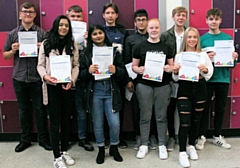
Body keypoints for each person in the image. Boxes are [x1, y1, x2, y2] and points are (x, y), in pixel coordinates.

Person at [3, 1, 51, 152]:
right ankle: (25, 140)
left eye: (31, 12)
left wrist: (41, 48)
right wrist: (13, 50)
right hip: (19, 77)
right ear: (20, 14)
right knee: (23, 110)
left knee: (40, 109)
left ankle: (43, 139)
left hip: (37, 78)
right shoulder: (13, 34)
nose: (28, 14)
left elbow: (51, 56)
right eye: (25, 11)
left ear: (35, 15)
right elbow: (5, 55)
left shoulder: (42, 34)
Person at [37, 15, 79, 168]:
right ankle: (56, 157)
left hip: (66, 87)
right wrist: (46, 76)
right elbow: (40, 65)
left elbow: (76, 65)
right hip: (52, 87)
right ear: (56, 26)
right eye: (61, 25)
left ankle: (64, 151)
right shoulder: (46, 44)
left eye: (66, 26)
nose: (63, 28)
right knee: (55, 122)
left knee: (66, 121)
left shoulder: (72, 44)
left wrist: (72, 80)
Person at [79, 24, 125, 164]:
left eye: (100, 33)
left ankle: (114, 147)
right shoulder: (86, 54)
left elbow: (124, 73)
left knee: (115, 123)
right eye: (94, 34)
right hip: (95, 91)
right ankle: (100, 149)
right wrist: (88, 71)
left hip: (111, 89)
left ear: (104, 34)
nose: (98, 36)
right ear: (91, 37)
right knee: (98, 123)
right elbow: (80, 75)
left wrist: (116, 70)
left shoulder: (115, 51)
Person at [197, 8, 239, 150]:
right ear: (206, 21)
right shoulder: (202, 40)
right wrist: (205, 57)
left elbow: (231, 65)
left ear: (220, 20)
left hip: (223, 78)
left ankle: (217, 136)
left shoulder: (227, 39)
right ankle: (201, 136)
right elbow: (198, 62)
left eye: (216, 19)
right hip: (207, 79)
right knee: (204, 108)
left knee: (220, 108)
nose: (213, 22)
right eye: (211, 19)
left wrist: (234, 58)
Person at [132, 18, 173, 160]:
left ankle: (162, 144)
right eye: (151, 28)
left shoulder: (167, 47)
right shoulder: (139, 46)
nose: (154, 30)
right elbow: (134, 66)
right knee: (145, 116)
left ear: (160, 29)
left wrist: (169, 68)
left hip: (162, 86)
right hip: (144, 85)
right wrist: (139, 69)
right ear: (147, 29)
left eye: (156, 27)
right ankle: (144, 144)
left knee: (161, 116)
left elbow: (172, 67)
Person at [172, 27, 213, 167]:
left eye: (194, 37)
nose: (192, 40)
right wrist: (175, 71)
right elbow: (175, 78)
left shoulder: (203, 55)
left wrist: (205, 70)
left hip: (200, 89)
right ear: (185, 39)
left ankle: (191, 146)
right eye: (189, 37)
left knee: (196, 120)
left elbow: (209, 73)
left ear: (198, 39)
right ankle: (182, 152)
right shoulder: (179, 55)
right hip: (184, 89)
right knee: (184, 122)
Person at [124, 9, 158, 150]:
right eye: (139, 20)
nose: (141, 22)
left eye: (144, 19)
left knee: (153, 110)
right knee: (138, 110)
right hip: (137, 80)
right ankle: (139, 137)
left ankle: (152, 136)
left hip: (154, 80)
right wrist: (129, 80)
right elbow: (126, 60)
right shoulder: (130, 40)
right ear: (135, 23)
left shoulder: (155, 38)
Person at [160, 6, 188, 152]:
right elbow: (160, 56)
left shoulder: (190, 34)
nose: (181, 17)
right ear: (173, 17)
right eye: (178, 15)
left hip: (186, 79)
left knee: (185, 109)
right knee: (169, 110)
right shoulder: (165, 36)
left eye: (183, 15)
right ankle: (171, 137)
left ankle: (187, 139)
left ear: (186, 18)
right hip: (169, 79)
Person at [67, 5, 94, 152]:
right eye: (73, 16)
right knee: (64, 111)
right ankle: (66, 137)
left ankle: (82, 138)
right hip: (64, 78)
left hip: (82, 79)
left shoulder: (87, 35)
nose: (76, 19)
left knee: (81, 111)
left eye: (78, 17)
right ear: (68, 16)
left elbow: (92, 54)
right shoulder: (62, 33)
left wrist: (87, 40)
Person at [102, 2, 129, 149]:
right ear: (103, 15)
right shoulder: (99, 30)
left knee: (119, 107)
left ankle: (119, 137)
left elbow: (126, 56)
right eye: (108, 13)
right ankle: (106, 137)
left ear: (117, 15)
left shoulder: (123, 32)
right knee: (103, 108)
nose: (110, 15)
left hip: (118, 74)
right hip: (102, 75)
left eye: (113, 13)